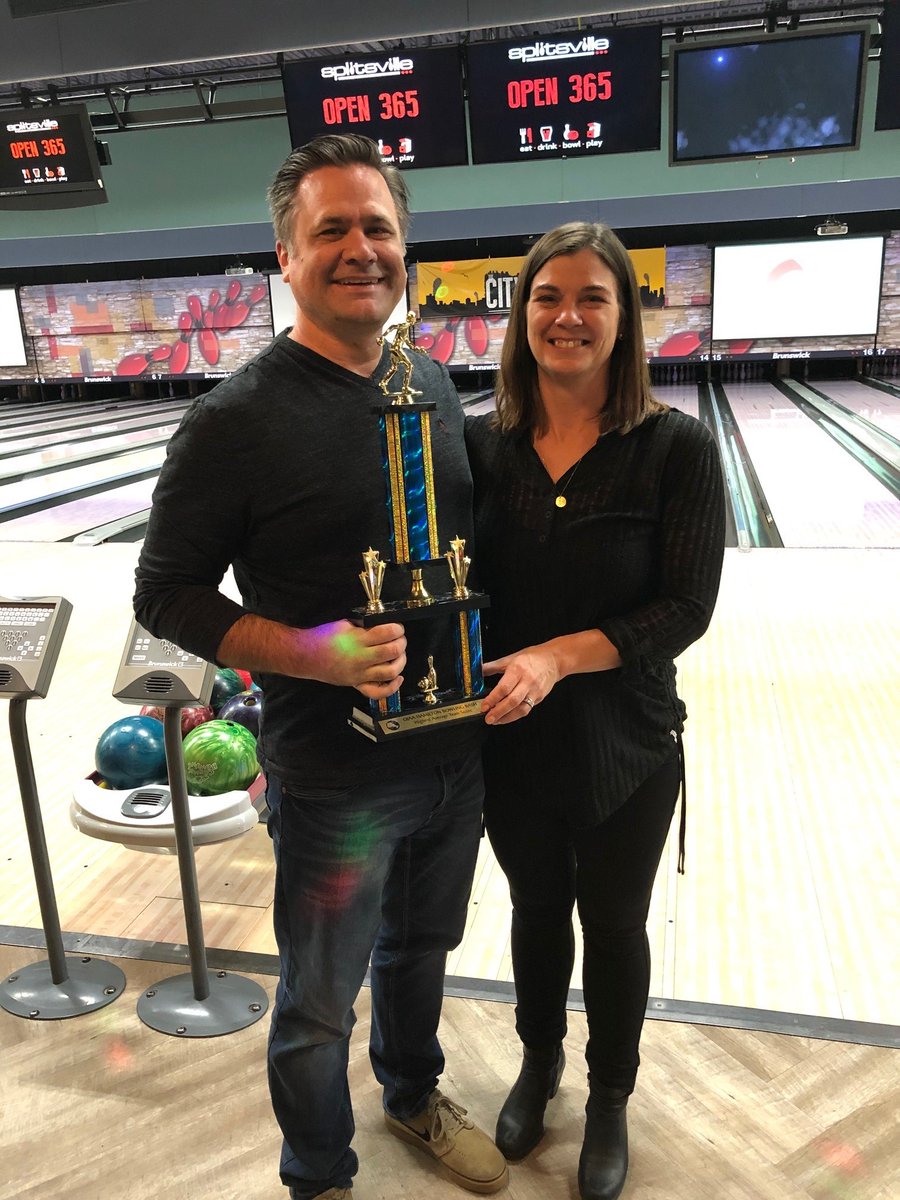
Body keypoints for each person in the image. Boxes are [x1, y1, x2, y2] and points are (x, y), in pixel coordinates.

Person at [134, 134, 507, 1200]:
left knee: (422, 951)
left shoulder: (431, 384)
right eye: (330, 229)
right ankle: (319, 1174)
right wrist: (309, 653)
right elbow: (164, 596)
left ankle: (411, 1095)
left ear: (405, 252)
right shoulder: (234, 422)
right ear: (286, 260)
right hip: (337, 776)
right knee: (314, 1002)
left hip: (454, 750)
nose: (360, 248)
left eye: (378, 227)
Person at [465, 222, 725, 1200]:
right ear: (522, 311)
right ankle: (540, 1064)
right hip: (511, 736)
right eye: (547, 296)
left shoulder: (676, 449)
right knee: (537, 911)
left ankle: (609, 1093)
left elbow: (685, 607)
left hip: (627, 739)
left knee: (614, 924)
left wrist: (557, 657)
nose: (567, 315)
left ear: (623, 321)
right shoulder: (480, 445)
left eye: (591, 298)